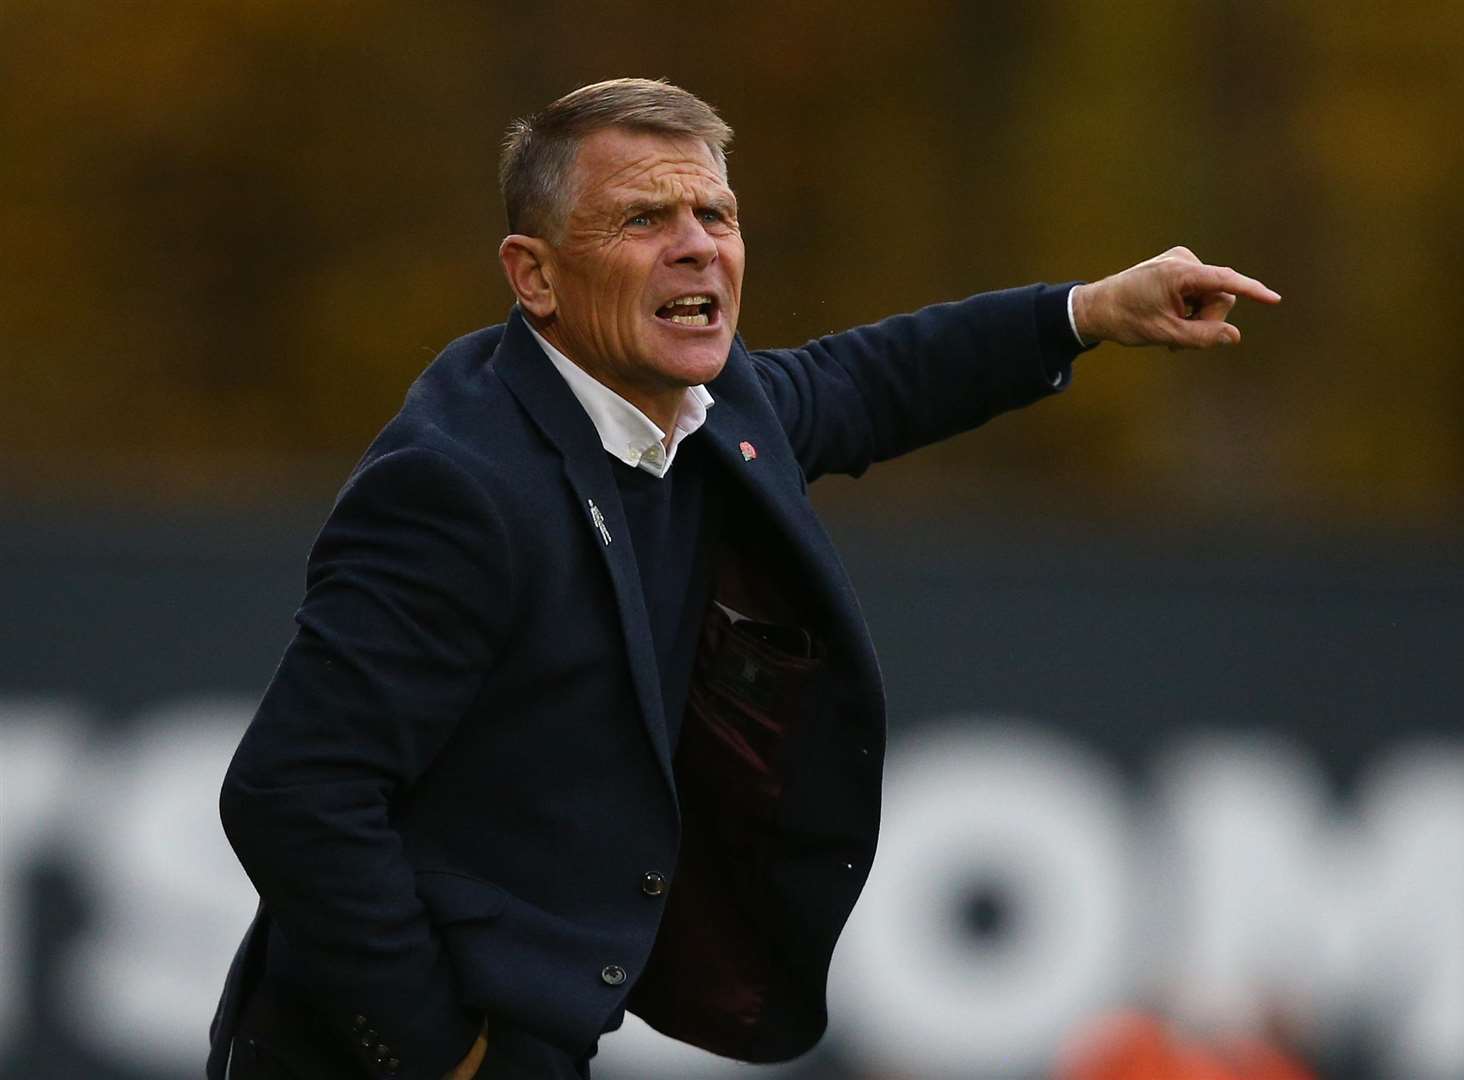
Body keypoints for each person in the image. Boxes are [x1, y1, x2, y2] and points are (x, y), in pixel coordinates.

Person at [209, 77, 1279, 1080]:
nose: (695, 250)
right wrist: (434, 1046)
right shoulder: (460, 488)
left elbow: (876, 381)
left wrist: (1083, 312)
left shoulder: (712, 412)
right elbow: (292, 790)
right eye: (642, 220)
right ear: (531, 274)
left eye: (713, 217)